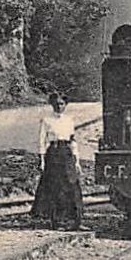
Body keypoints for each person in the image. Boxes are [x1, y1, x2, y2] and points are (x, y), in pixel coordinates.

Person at [31, 92, 85, 230]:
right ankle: (56, 220)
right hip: (54, 154)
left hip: (66, 153)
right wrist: (42, 160)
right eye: (56, 104)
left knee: (71, 185)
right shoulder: (47, 120)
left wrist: (77, 160)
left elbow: (73, 141)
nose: (59, 106)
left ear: (66, 105)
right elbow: (41, 141)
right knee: (55, 186)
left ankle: (73, 220)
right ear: (51, 104)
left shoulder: (69, 120)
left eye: (61, 104)